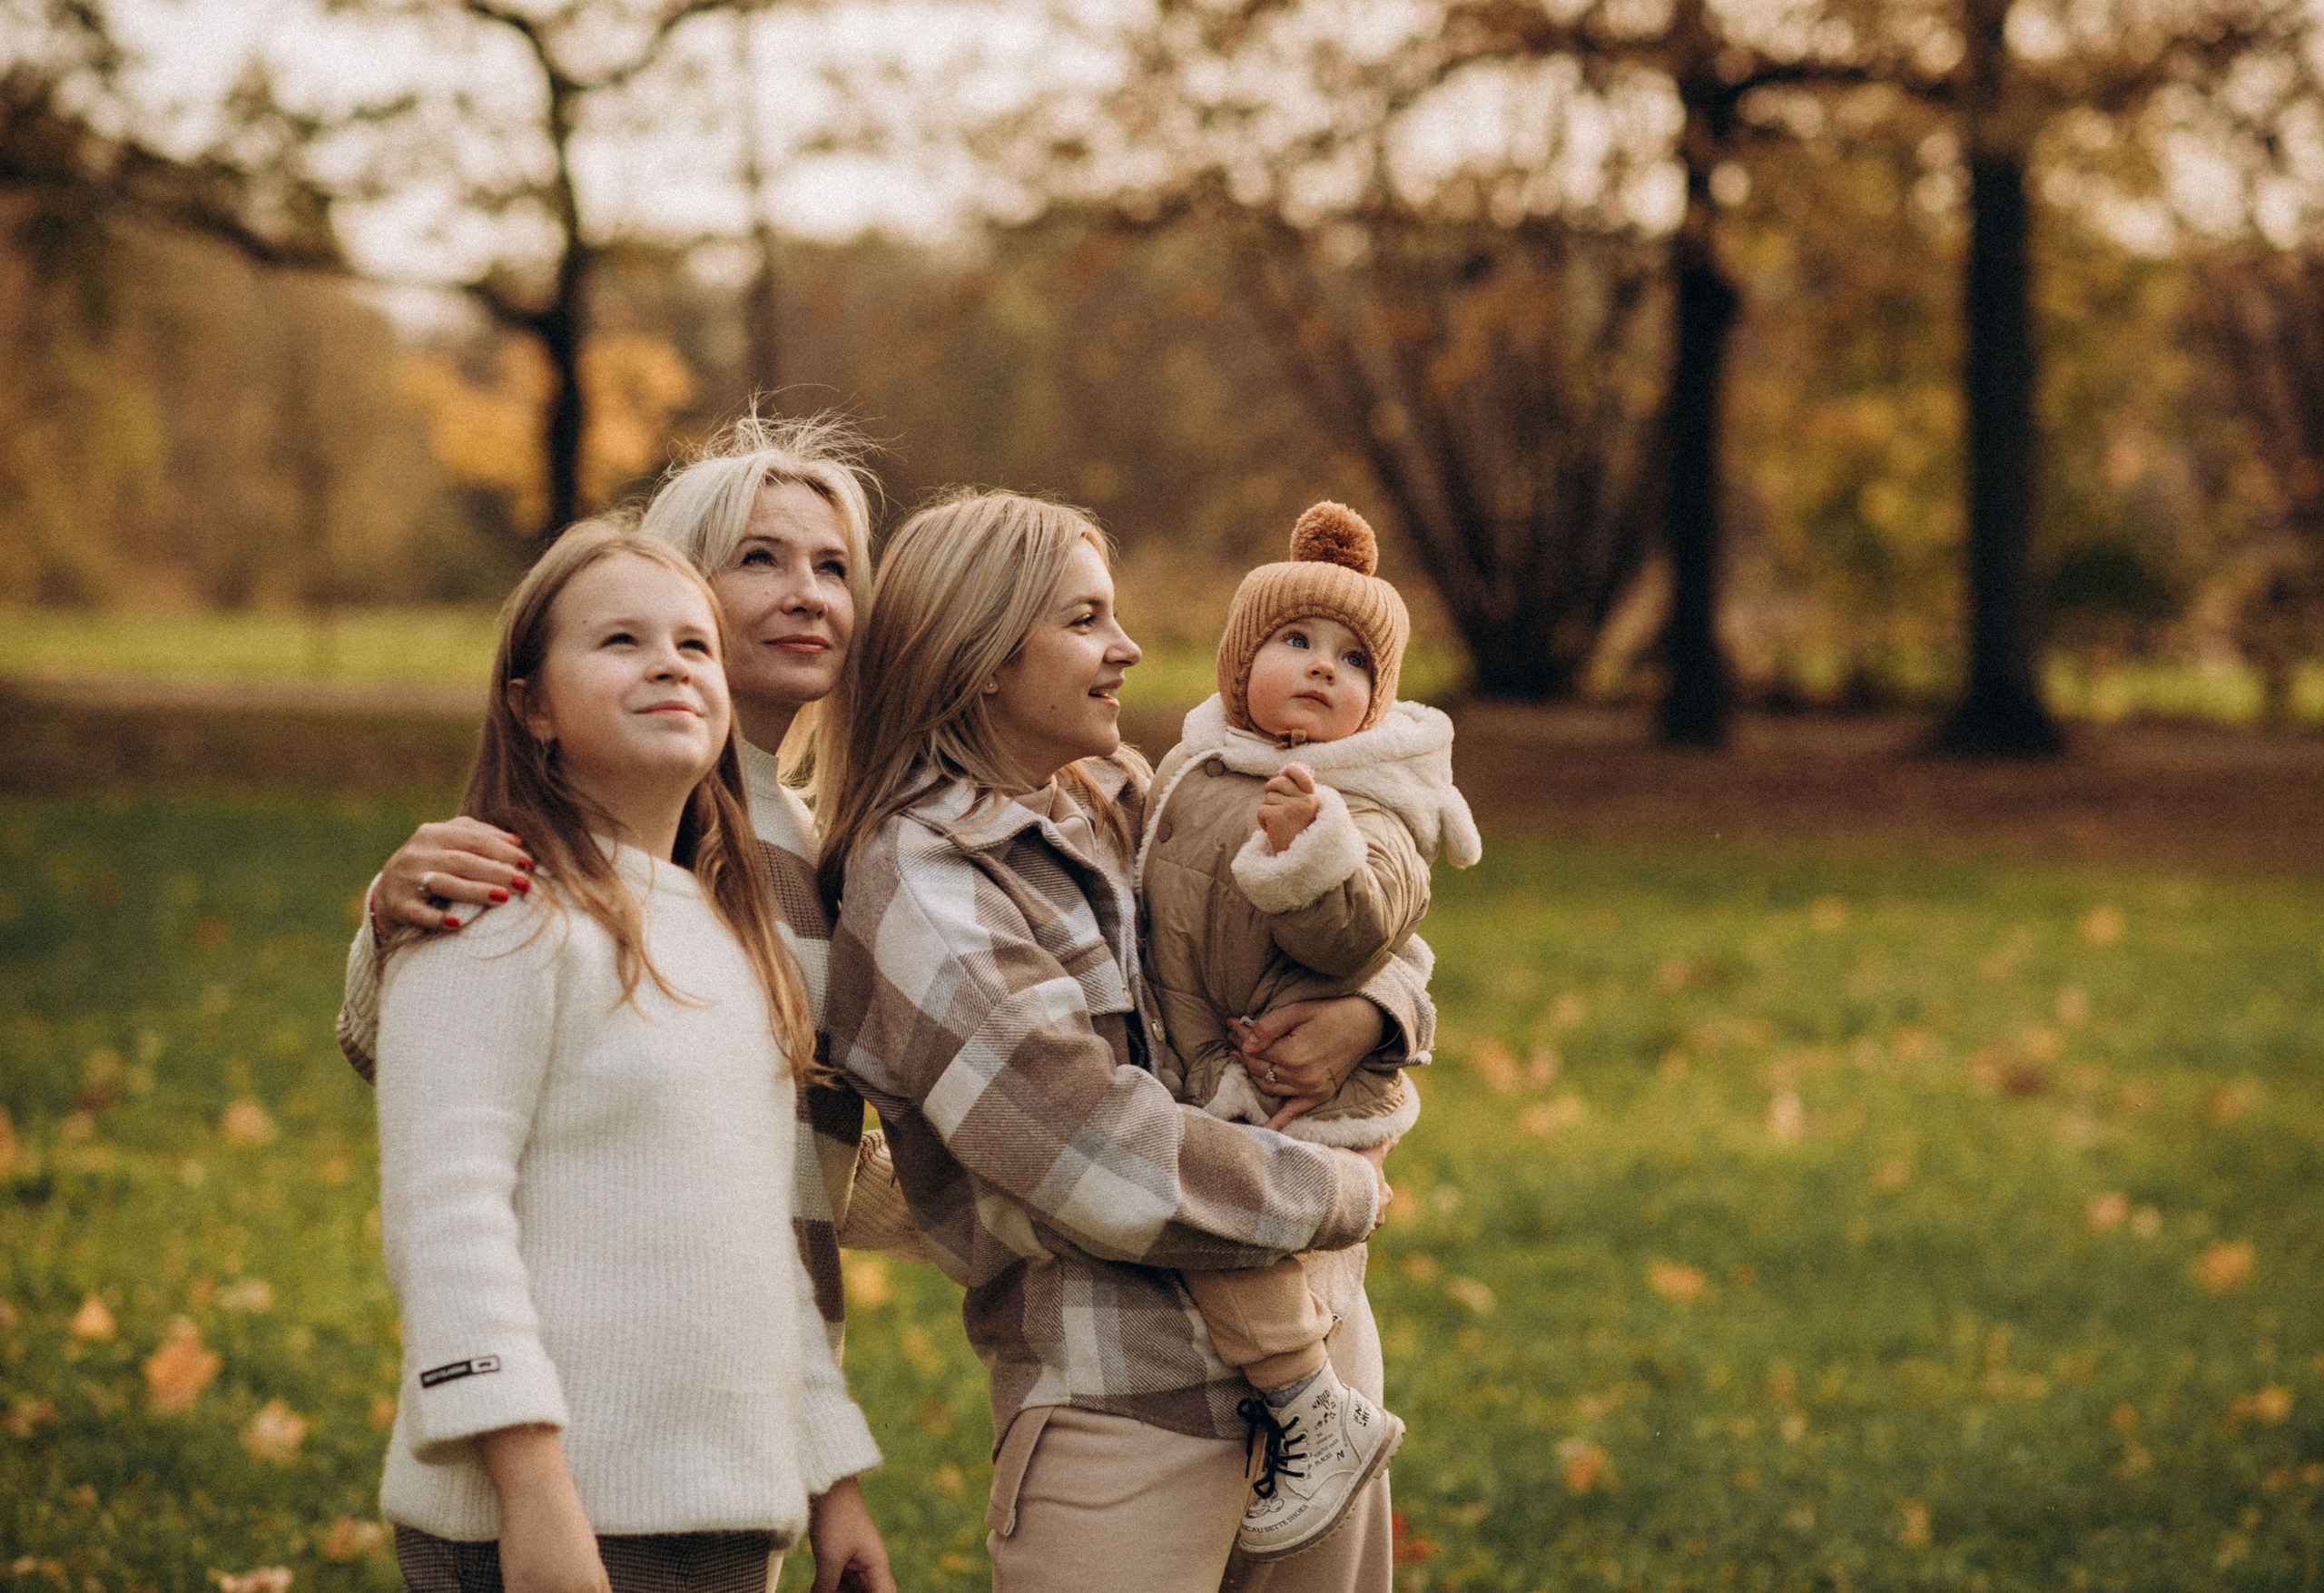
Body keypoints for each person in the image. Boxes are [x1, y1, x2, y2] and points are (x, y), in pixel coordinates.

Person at [813, 490, 1434, 1593]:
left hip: (1325, 1345)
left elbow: (1301, 936)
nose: (1129, 649)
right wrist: (1343, 1190)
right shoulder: (922, 876)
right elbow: (1098, 1158)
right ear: (985, 655)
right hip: (1130, 1405)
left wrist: (1376, 1014)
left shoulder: (1116, 794)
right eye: (1086, 620)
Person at [338, 414, 907, 1591]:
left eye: (687, 644)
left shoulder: (742, 911)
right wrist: (536, 1493)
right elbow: (447, 1213)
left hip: (723, 1502)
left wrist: (830, 1474)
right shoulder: (496, 903)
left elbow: (771, 1222)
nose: (670, 662)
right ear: (531, 701)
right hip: (549, 1511)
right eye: (624, 638)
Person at [1137, 500, 1481, 1561]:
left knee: (1229, 1245)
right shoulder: (1191, 772)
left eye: (1351, 660)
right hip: (1221, 1071)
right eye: (1294, 643)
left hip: (1298, 1097)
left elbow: (1364, 933)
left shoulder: (1365, 804)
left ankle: (1313, 1416)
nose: (1321, 669)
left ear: (1377, 703)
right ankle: (1303, 1409)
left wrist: (1311, 853)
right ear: (1239, 667)